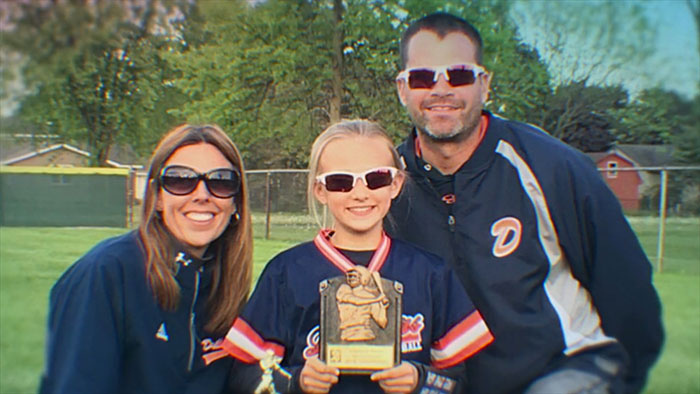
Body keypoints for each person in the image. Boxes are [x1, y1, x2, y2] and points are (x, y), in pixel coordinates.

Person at [386, 12, 664, 394]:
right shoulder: (384, 183)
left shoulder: (552, 167)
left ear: (484, 85)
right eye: (422, 77)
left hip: (559, 370)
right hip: (442, 381)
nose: (441, 89)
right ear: (403, 89)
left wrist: (626, 380)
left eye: (459, 75)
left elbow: (627, 290)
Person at [223, 119, 493, 393]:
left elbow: (459, 382)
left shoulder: (431, 273)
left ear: (396, 184)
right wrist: (294, 382)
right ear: (320, 190)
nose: (361, 193)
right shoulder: (286, 273)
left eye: (377, 178)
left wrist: (419, 379)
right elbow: (243, 377)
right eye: (341, 181)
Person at [39, 124, 254, 393]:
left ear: (236, 202)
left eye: (221, 181)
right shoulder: (105, 274)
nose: (202, 195)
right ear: (157, 197)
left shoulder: (224, 284)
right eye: (180, 180)